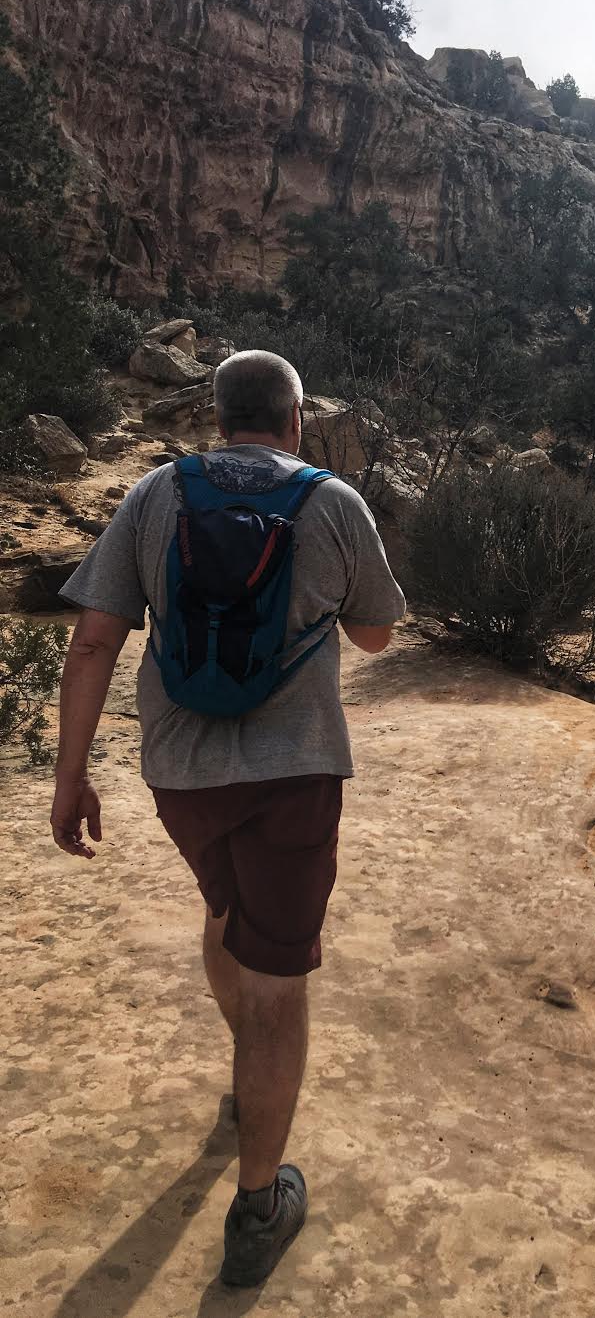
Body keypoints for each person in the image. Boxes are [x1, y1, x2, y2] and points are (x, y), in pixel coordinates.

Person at [49, 350, 406, 1287]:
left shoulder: (154, 495)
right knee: (279, 982)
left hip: (183, 774)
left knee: (222, 913)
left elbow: (93, 639)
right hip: (295, 776)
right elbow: (375, 633)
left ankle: (243, 1073)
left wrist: (70, 775)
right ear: (295, 421)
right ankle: (256, 1208)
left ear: (218, 421)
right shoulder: (333, 502)